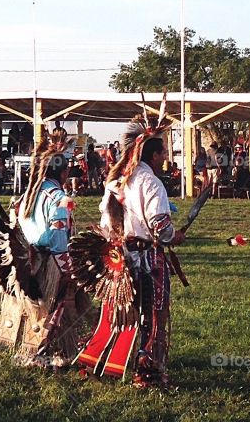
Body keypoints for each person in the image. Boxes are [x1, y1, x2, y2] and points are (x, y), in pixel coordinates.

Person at [73, 108, 185, 389]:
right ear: (154, 155)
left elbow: (107, 221)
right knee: (153, 312)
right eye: (163, 154)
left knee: (121, 311)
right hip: (148, 258)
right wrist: (174, 236)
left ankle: (100, 358)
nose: (165, 159)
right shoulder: (151, 182)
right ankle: (148, 371)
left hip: (121, 258)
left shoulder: (118, 181)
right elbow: (160, 226)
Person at [0, 127, 89, 369]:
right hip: (49, 260)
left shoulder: (30, 193)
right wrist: (68, 267)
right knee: (59, 305)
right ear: (63, 172)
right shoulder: (58, 198)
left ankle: (29, 347)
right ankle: (51, 352)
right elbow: (57, 236)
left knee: (36, 305)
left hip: (26, 257)